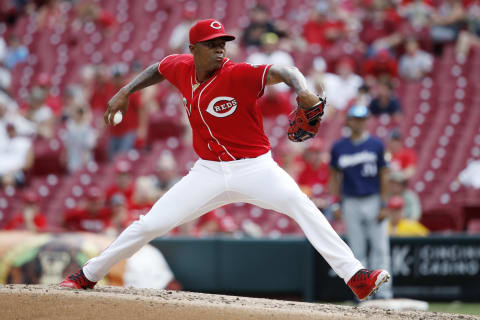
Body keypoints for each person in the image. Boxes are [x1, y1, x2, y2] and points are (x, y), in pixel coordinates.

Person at [60, 19, 390, 301]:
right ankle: (86, 276)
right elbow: (157, 68)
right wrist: (124, 92)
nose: (220, 48)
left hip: (255, 167)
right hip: (207, 172)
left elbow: (284, 70)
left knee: (302, 206)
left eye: (223, 43)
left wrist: (302, 90)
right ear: (194, 49)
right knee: (150, 224)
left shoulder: (239, 74)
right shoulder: (181, 67)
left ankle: (355, 276)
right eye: (212, 43)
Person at [329, 105, 393, 299]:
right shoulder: (339, 147)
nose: (359, 122)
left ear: (367, 121)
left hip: (373, 199)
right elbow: (334, 177)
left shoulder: (376, 145)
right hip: (350, 201)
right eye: (355, 118)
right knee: (357, 251)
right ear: (348, 121)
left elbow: (384, 175)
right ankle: (363, 294)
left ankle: (383, 295)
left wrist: (384, 204)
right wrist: (335, 203)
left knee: (380, 248)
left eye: (362, 118)